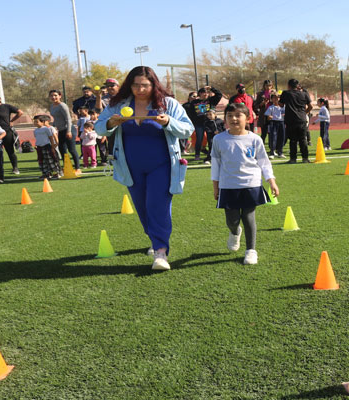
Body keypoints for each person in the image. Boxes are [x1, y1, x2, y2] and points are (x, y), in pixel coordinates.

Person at [95, 66, 194, 270]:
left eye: (145, 85)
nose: (140, 89)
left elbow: (187, 129)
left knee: (156, 205)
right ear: (129, 86)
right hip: (131, 167)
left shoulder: (167, 104)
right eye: (136, 85)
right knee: (142, 208)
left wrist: (169, 122)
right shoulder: (118, 105)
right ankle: (155, 239)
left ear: (153, 85)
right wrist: (111, 122)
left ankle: (160, 252)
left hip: (162, 165)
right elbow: (98, 127)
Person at [211, 103, 279, 265]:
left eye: (238, 115)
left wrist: (272, 181)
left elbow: (264, 162)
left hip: (251, 183)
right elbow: (216, 165)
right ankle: (235, 233)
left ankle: (251, 250)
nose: (234, 119)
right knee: (232, 220)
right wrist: (216, 186)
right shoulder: (219, 139)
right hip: (228, 186)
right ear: (225, 119)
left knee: (248, 217)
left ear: (248, 118)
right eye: (230, 116)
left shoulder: (254, 139)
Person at [279, 79, 312, 163]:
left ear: (289, 86)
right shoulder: (304, 94)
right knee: (303, 139)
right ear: (297, 86)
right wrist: (305, 113)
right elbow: (310, 106)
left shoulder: (286, 93)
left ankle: (293, 159)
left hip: (291, 120)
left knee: (293, 140)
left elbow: (281, 104)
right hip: (302, 119)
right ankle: (305, 158)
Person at [49, 89, 81, 173]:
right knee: (62, 149)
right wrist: (53, 126)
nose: (53, 97)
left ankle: (78, 168)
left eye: (55, 95)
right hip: (61, 130)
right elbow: (56, 118)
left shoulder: (62, 105)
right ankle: (67, 167)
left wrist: (69, 131)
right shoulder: (52, 106)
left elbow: (68, 119)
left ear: (60, 96)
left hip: (69, 130)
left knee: (71, 149)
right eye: (52, 95)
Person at [188, 85, 223, 161]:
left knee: (211, 140)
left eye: (207, 92)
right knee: (199, 140)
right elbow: (191, 113)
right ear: (199, 94)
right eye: (204, 92)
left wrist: (212, 88)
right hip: (199, 124)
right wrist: (194, 122)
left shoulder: (211, 100)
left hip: (210, 124)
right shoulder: (194, 102)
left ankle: (212, 155)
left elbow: (219, 95)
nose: (206, 94)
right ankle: (197, 155)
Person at [32, 115, 61, 180]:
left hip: (47, 147)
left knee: (51, 160)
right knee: (42, 161)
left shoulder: (46, 129)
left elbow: (51, 137)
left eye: (37, 122)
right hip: (39, 147)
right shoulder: (35, 130)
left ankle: (56, 173)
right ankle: (46, 173)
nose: (35, 123)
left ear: (42, 122)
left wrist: (53, 146)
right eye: (34, 122)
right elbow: (37, 138)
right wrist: (37, 145)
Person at [265, 93, 286, 158]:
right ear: (272, 99)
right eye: (275, 98)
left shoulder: (283, 107)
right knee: (273, 138)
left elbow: (286, 114)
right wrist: (269, 117)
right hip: (273, 123)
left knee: (281, 138)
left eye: (278, 97)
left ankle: (280, 152)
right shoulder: (271, 107)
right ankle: (272, 152)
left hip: (281, 123)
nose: (277, 99)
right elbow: (267, 115)